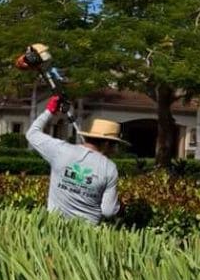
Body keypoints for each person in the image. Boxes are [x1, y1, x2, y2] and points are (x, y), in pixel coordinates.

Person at [27, 95, 126, 225]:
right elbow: (108, 211)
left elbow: (32, 134)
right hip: (86, 236)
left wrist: (49, 111)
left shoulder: (61, 151)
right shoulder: (109, 168)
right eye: (115, 144)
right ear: (107, 144)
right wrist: (120, 207)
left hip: (53, 228)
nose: (116, 149)